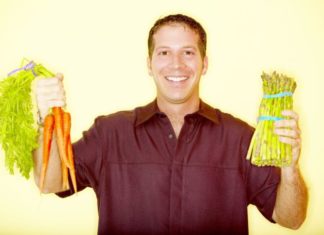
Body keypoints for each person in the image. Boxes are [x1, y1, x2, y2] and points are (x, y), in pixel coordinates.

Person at [33, 14, 308, 235]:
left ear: (204, 63)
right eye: (164, 53)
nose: (176, 65)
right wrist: (48, 121)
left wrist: (290, 168)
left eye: (188, 53)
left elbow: (290, 219)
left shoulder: (241, 138)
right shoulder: (109, 133)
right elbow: (51, 183)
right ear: (149, 64)